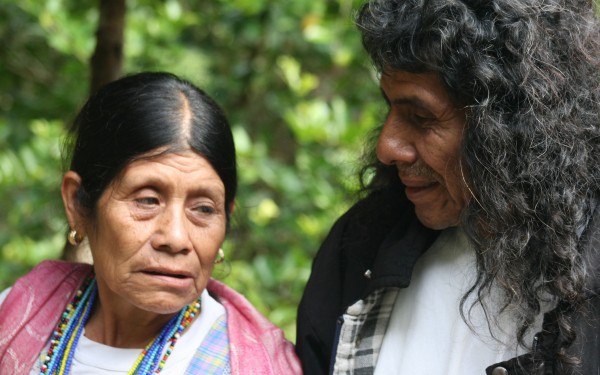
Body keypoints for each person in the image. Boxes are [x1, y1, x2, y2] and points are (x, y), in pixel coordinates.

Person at [296, 0, 600, 374]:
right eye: (388, 108)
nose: (387, 147)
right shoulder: (364, 243)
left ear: (511, 127)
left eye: (421, 118)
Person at [0, 72, 301, 374]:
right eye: (147, 200)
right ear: (78, 203)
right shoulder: (10, 321)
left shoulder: (257, 365)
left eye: (204, 209)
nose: (176, 237)